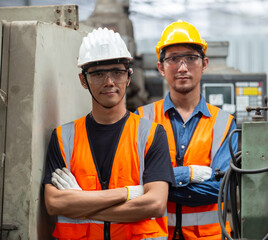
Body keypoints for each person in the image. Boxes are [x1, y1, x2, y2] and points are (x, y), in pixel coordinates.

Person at [43, 27, 175, 240]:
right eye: (98, 74)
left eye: (117, 72)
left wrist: (81, 202)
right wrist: (129, 193)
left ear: (129, 77)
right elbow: (54, 204)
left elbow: (156, 203)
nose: (109, 82)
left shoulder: (151, 134)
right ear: (83, 80)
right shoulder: (63, 137)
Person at [136, 20, 238, 240]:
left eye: (191, 58)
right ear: (161, 68)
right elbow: (134, 181)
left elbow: (224, 188)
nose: (182, 68)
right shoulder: (142, 119)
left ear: (204, 63)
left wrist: (159, 185)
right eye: (173, 59)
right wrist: (190, 174)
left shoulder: (224, 123)